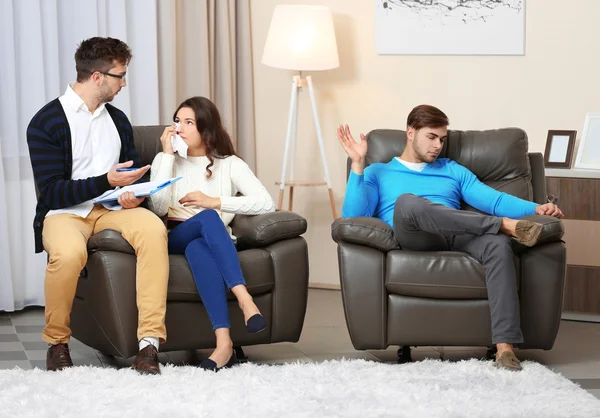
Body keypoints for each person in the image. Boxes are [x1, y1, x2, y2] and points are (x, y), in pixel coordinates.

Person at [337, 104, 564, 372]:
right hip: (414, 236)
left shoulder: (452, 169)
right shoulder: (379, 172)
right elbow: (354, 217)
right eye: (431, 137)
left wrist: (536, 209)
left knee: (497, 243)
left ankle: (504, 347)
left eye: (442, 139)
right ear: (410, 133)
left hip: (458, 234)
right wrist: (358, 165)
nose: (438, 146)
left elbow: (494, 200)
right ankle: (501, 225)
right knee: (408, 203)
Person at [27, 37, 168, 375]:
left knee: (152, 229)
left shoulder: (117, 120)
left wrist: (133, 193)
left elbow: (124, 178)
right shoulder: (46, 122)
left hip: (112, 209)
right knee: (68, 254)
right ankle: (57, 342)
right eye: (120, 75)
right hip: (65, 214)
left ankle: (149, 343)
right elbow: (51, 193)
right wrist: (107, 181)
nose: (124, 83)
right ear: (97, 77)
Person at [148, 96, 275, 371]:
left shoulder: (229, 164)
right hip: (174, 237)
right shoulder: (165, 160)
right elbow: (157, 207)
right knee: (206, 219)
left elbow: (267, 202)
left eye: (189, 122)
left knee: (199, 248)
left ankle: (223, 344)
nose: (180, 128)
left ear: (205, 127)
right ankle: (245, 299)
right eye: (177, 121)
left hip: (204, 243)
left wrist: (215, 201)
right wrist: (168, 156)